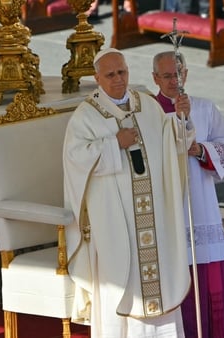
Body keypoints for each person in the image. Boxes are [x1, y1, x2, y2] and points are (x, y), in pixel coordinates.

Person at [63, 48, 193, 337]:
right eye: (110, 74)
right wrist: (114, 143)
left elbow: (172, 144)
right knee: (119, 281)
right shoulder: (86, 116)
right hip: (114, 219)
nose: (118, 79)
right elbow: (76, 160)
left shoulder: (148, 105)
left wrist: (181, 119)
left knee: (158, 276)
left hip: (153, 216)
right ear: (97, 78)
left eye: (122, 72)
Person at [152, 51, 224, 338]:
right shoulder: (148, 113)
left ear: (186, 74)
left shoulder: (204, 108)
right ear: (155, 78)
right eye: (167, 76)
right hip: (168, 205)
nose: (174, 81)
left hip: (201, 204)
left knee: (209, 278)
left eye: (178, 74)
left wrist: (201, 150)